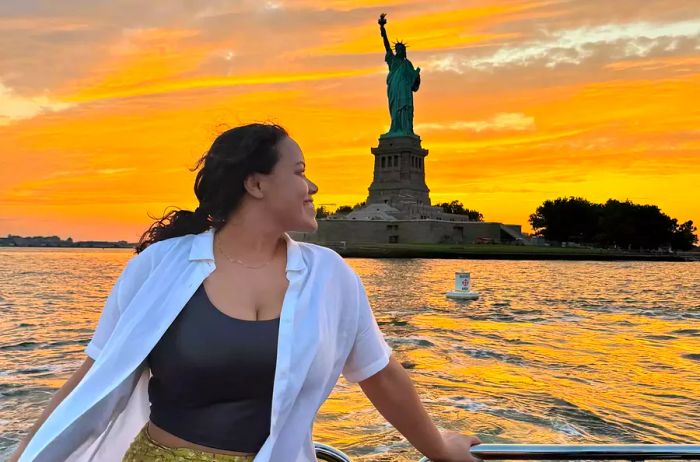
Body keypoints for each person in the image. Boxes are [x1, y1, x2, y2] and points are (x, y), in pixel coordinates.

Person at [10, 123, 482, 462]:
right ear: (256, 184)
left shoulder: (330, 275)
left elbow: (381, 375)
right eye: (298, 171)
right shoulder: (160, 267)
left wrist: (440, 449)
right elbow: (94, 379)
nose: (312, 185)